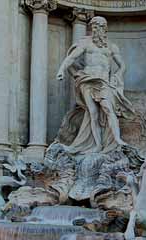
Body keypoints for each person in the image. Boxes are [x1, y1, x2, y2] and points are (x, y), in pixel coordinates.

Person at [55, 16, 133, 154]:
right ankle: (97, 145)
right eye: (95, 27)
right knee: (93, 113)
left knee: (109, 109)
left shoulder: (112, 46)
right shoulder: (86, 43)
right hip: (87, 79)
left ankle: (117, 140)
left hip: (103, 81)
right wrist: (61, 69)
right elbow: (72, 57)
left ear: (105, 29)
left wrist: (118, 74)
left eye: (101, 26)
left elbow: (122, 65)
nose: (97, 29)